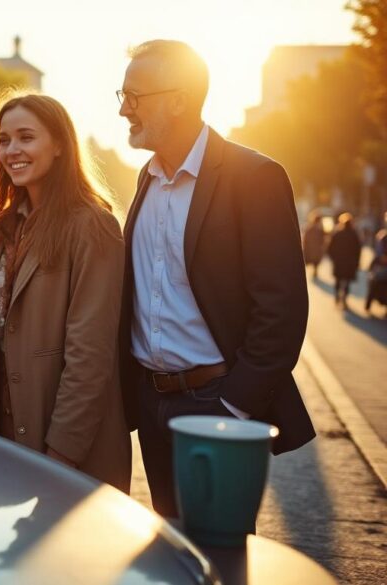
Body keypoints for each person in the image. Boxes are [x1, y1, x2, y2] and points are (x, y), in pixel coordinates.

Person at [116, 40, 315, 517]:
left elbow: (281, 309)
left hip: (216, 404)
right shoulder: (145, 179)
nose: (124, 109)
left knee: (217, 555)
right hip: (150, 401)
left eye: (134, 96)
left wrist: (233, 407)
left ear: (179, 98)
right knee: (170, 548)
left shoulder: (255, 177)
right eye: (120, 96)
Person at [0, 91, 131, 492]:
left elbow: (90, 353)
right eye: (4, 140)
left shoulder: (93, 225)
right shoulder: (1, 226)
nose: (12, 150)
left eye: (26, 137)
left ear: (59, 146)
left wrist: (61, 456)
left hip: (66, 449)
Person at [327, 212, 363, 308]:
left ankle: (337, 296)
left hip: (339, 261)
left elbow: (330, 247)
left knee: (338, 280)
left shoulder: (337, 233)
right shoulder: (354, 234)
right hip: (350, 263)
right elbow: (358, 249)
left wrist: (333, 257)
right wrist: (357, 261)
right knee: (347, 281)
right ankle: (344, 298)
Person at [302, 210, 327, 279]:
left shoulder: (310, 228)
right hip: (316, 249)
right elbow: (323, 240)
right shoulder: (320, 229)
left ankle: (314, 271)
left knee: (313, 260)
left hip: (311, 248)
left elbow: (305, 239)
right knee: (315, 261)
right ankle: (315, 271)